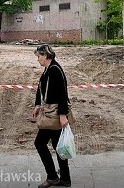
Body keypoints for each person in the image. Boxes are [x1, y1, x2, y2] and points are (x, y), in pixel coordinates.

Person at [32, 44, 72, 188]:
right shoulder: (48, 69)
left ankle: (52, 177)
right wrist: (37, 104)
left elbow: (62, 94)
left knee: (40, 143)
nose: (38, 59)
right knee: (57, 146)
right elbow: (40, 88)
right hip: (50, 112)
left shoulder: (55, 70)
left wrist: (62, 115)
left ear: (46, 55)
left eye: (39, 56)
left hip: (54, 114)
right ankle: (65, 178)